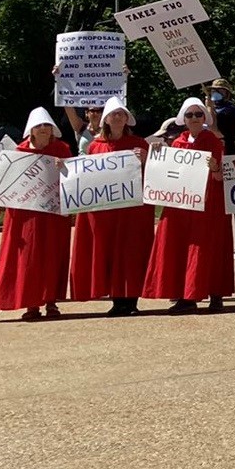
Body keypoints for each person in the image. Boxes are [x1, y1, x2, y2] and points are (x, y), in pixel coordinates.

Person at [143, 98, 232, 313]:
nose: (194, 119)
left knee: (210, 246)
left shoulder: (213, 142)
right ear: (184, 118)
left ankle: (214, 293)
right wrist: (156, 154)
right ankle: (187, 294)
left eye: (198, 114)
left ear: (204, 118)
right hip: (184, 204)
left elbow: (221, 177)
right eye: (190, 115)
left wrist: (215, 168)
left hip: (209, 203)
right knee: (186, 247)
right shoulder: (178, 143)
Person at [0, 108, 74, 321]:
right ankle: (31, 303)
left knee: (53, 255)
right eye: (39, 126)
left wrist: (65, 167)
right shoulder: (18, 153)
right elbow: (5, 183)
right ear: (31, 131)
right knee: (29, 259)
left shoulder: (62, 149)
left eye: (46, 125)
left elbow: (73, 178)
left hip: (54, 214)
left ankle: (52, 301)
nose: (43, 129)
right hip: (25, 215)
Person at [69, 98, 152, 316]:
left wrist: (146, 160)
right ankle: (117, 299)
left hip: (132, 210)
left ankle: (131, 300)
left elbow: (155, 174)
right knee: (110, 253)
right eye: (113, 114)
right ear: (106, 119)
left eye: (121, 114)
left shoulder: (140, 144)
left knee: (130, 252)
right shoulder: (95, 146)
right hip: (106, 211)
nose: (117, 118)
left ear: (127, 119)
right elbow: (86, 175)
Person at [209, 79, 235, 153]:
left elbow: (214, 130)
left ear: (227, 93)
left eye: (220, 90)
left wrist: (210, 108)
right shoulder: (212, 109)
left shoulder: (230, 111)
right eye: (214, 90)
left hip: (230, 151)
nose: (216, 92)